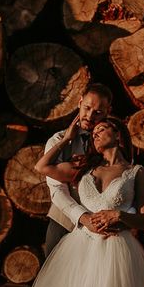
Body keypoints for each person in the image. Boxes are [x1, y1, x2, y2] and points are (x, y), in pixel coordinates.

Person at [25, 116, 144, 287]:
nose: (95, 134)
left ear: (117, 134)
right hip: (80, 246)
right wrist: (66, 139)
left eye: (102, 129)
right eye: (93, 133)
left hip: (117, 251)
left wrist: (118, 215)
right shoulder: (85, 168)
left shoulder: (136, 172)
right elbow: (41, 167)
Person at [43, 83, 114, 256]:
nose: (89, 116)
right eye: (87, 108)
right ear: (80, 102)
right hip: (63, 224)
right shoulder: (57, 141)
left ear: (108, 111)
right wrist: (84, 218)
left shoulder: (114, 145)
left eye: (98, 112)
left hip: (101, 230)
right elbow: (57, 190)